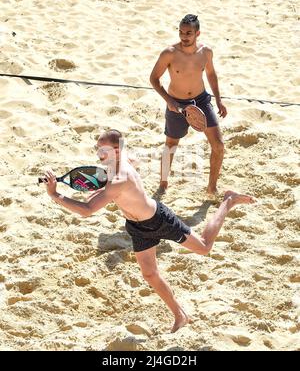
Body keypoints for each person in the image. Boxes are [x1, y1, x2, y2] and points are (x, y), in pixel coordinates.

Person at [42, 129, 255, 333]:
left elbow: (88, 210)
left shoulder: (120, 178)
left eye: (102, 150)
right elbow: (130, 164)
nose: (98, 154)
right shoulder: (117, 165)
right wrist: (102, 187)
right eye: (97, 149)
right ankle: (180, 315)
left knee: (204, 247)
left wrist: (55, 195)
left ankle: (228, 200)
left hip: (159, 220)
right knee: (150, 274)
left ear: (116, 151)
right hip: (137, 228)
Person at [150, 14, 227, 195]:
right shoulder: (169, 53)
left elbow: (211, 75)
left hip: (201, 101)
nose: (184, 37)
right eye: (181, 32)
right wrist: (169, 101)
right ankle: (163, 183)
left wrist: (218, 99)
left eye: (188, 33)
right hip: (176, 103)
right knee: (171, 145)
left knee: (219, 146)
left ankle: (211, 187)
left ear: (197, 33)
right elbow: (154, 79)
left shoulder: (206, 52)